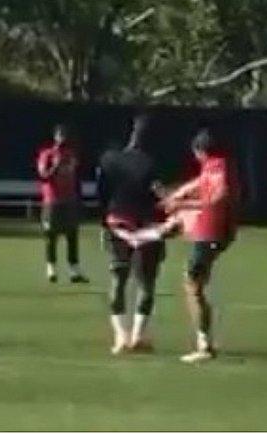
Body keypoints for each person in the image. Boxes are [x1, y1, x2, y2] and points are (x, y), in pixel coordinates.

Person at [112, 129, 238, 363]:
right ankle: (141, 237)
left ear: (199, 151)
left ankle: (204, 345)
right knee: (175, 231)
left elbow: (219, 196)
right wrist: (176, 198)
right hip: (207, 229)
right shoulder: (214, 166)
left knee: (193, 285)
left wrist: (185, 204)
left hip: (212, 231)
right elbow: (197, 184)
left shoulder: (220, 167)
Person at [97, 115, 166, 355]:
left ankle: (120, 335)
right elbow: (161, 197)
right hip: (146, 225)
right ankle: (138, 335)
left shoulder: (109, 160)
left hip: (117, 223)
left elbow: (102, 195)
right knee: (146, 282)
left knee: (118, 276)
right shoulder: (152, 164)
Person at [36, 124, 88, 284]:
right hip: (53, 200)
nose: (63, 138)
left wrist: (78, 198)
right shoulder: (47, 154)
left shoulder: (71, 155)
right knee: (51, 235)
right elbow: (43, 175)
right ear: (55, 136)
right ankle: (51, 268)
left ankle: (74, 270)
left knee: (72, 235)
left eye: (65, 134)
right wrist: (55, 166)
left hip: (69, 200)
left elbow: (75, 176)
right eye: (60, 135)